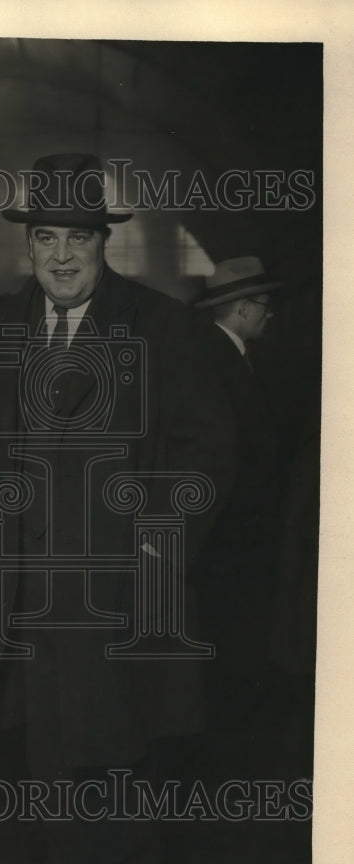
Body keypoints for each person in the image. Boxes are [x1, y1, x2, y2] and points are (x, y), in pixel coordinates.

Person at [0, 153, 235, 864]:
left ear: (104, 242)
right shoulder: (0, 331)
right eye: (46, 239)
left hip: (119, 592)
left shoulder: (160, 326)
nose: (62, 256)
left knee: (122, 757)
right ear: (28, 247)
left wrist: (157, 541)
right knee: (47, 759)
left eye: (78, 237)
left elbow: (208, 452)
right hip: (28, 593)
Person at [191, 257, 283, 724]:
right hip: (223, 532)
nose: (272, 314)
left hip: (235, 531)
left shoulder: (235, 357)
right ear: (244, 308)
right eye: (265, 305)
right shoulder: (214, 359)